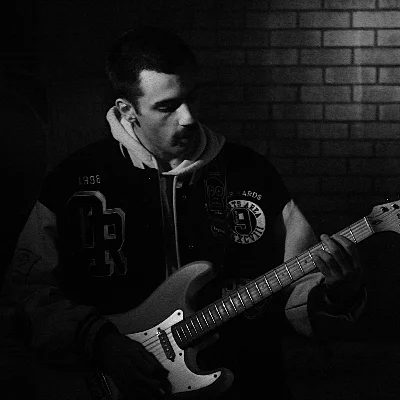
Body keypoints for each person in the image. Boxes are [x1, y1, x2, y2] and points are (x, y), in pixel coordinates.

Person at [1, 25, 366, 400]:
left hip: (246, 386)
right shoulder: (71, 180)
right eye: (167, 106)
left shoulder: (253, 172)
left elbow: (299, 293)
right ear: (128, 110)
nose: (189, 117)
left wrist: (338, 294)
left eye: (192, 97)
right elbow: (25, 294)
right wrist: (100, 341)